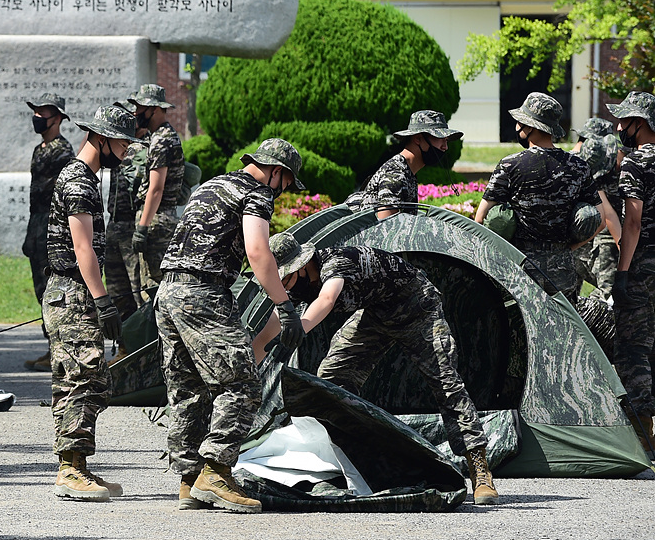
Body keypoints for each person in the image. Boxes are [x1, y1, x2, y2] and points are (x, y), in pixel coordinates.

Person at [255, 233, 500, 505]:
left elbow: (326, 299)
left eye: (284, 277)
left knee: (445, 383)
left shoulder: (336, 263)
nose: (282, 285)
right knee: (331, 380)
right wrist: (252, 358)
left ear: (301, 265)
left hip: (417, 308)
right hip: (376, 314)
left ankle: (480, 471)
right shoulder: (295, 284)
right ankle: (358, 462)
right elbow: (273, 326)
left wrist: (298, 332)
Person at [155, 138, 306, 513]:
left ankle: (189, 480)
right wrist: (284, 306)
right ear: (277, 172)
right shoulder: (257, 192)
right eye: (286, 182)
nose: (284, 191)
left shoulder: (212, 185)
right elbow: (257, 250)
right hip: (203, 294)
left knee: (188, 388)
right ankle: (217, 472)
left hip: (168, 292)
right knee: (242, 384)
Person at [43, 104, 143, 502]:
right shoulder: (80, 182)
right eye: (121, 144)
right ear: (101, 139)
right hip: (72, 292)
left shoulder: (84, 177)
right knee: (78, 377)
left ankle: (78, 463)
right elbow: (82, 247)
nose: (126, 152)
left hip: (74, 290)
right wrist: (103, 302)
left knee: (91, 379)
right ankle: (69, 468)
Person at [474, 92, 600, 300]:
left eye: (519, 122)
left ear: (530, 126)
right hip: (563, 270)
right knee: (562, 330)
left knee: (522, 329)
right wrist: (568, 248)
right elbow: (599, 219)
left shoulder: (510, 165)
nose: (516, 127)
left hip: (520, 267)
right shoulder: (579, 166)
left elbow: (480, 220)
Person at [609, 91, 655, 453]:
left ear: (639, 125)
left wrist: (622, 272)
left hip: (643, 269)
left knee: (633, 347)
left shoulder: (635, 163)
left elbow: (634, 220)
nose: (618, 126)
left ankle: (643, 434)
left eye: (624, 120)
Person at [22, 93, 75, 372]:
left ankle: (62, 349)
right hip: (37, 224)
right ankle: (51, 347)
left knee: (54, 291)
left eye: (43, 114)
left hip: (53, 225)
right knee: (40, 290)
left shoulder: (62, 152)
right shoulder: (40, 149)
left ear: (57, 119)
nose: (38, 118)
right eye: (36, 113)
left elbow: (64, 195)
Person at [346, 110, 463, 218]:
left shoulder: (407, 172)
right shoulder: (395, 175)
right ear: (418, 139)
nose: (445, 147)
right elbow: (385, 230)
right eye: (439, 138)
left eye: (446, 140)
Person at [128, 83, 186, 299]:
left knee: (153, 288)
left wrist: (142, 227)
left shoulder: (161, 140)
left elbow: (156, 188)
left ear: (155, 109)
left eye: (141, 107)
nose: (136, 112)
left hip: (156, 220)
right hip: (158, 217)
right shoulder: (160, 135)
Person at [102, 101, 146, 325]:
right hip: (114, 224)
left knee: (138, 290)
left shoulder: (141, 148)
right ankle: (125, 349)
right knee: (116, 289)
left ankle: (143, 353)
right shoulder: (113, 145)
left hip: (132, 225)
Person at [572, 118, 624, 300]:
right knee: (607, 292)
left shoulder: (612, 161)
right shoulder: (592, 161)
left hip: (593, 230)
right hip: (599, 232)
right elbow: (607, 216)